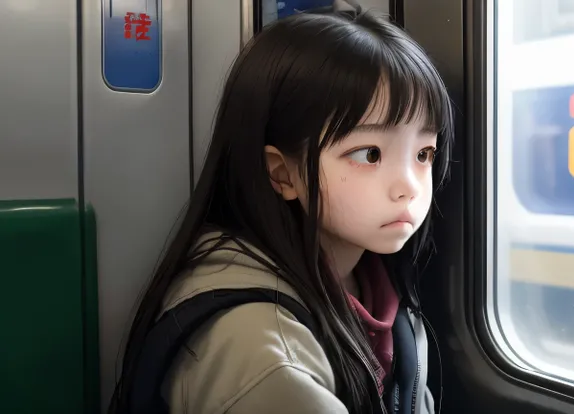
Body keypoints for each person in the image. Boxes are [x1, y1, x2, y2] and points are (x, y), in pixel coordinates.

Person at [108, 3, 453, 414]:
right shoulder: (259, 351)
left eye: (424, 153)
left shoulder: (377, 289)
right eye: (370, 153)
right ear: (283, 173)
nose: (409, 186)